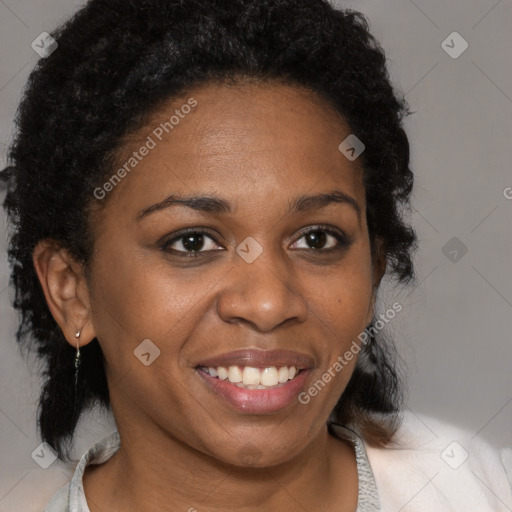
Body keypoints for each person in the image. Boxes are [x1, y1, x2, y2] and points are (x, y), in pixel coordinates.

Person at [1, 0, 510, 510]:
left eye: (317, 239)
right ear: (72, 291)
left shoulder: (479, 489)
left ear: (373, 270)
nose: (268, 303)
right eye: (193, 242)